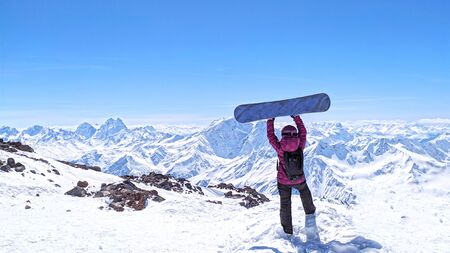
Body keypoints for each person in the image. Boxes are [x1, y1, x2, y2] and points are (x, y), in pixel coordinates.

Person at [267, 115, 316, 235]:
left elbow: (270, 136)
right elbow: (303, 132)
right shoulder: (300, 145)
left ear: (283, 135)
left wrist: (270, 120)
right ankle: (310, 220)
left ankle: (287, 231)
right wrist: (296, 117)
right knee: (305, 194)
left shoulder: (280, 148)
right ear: (295, 134)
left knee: (285, 204)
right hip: (299, 178)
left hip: (283, 181)